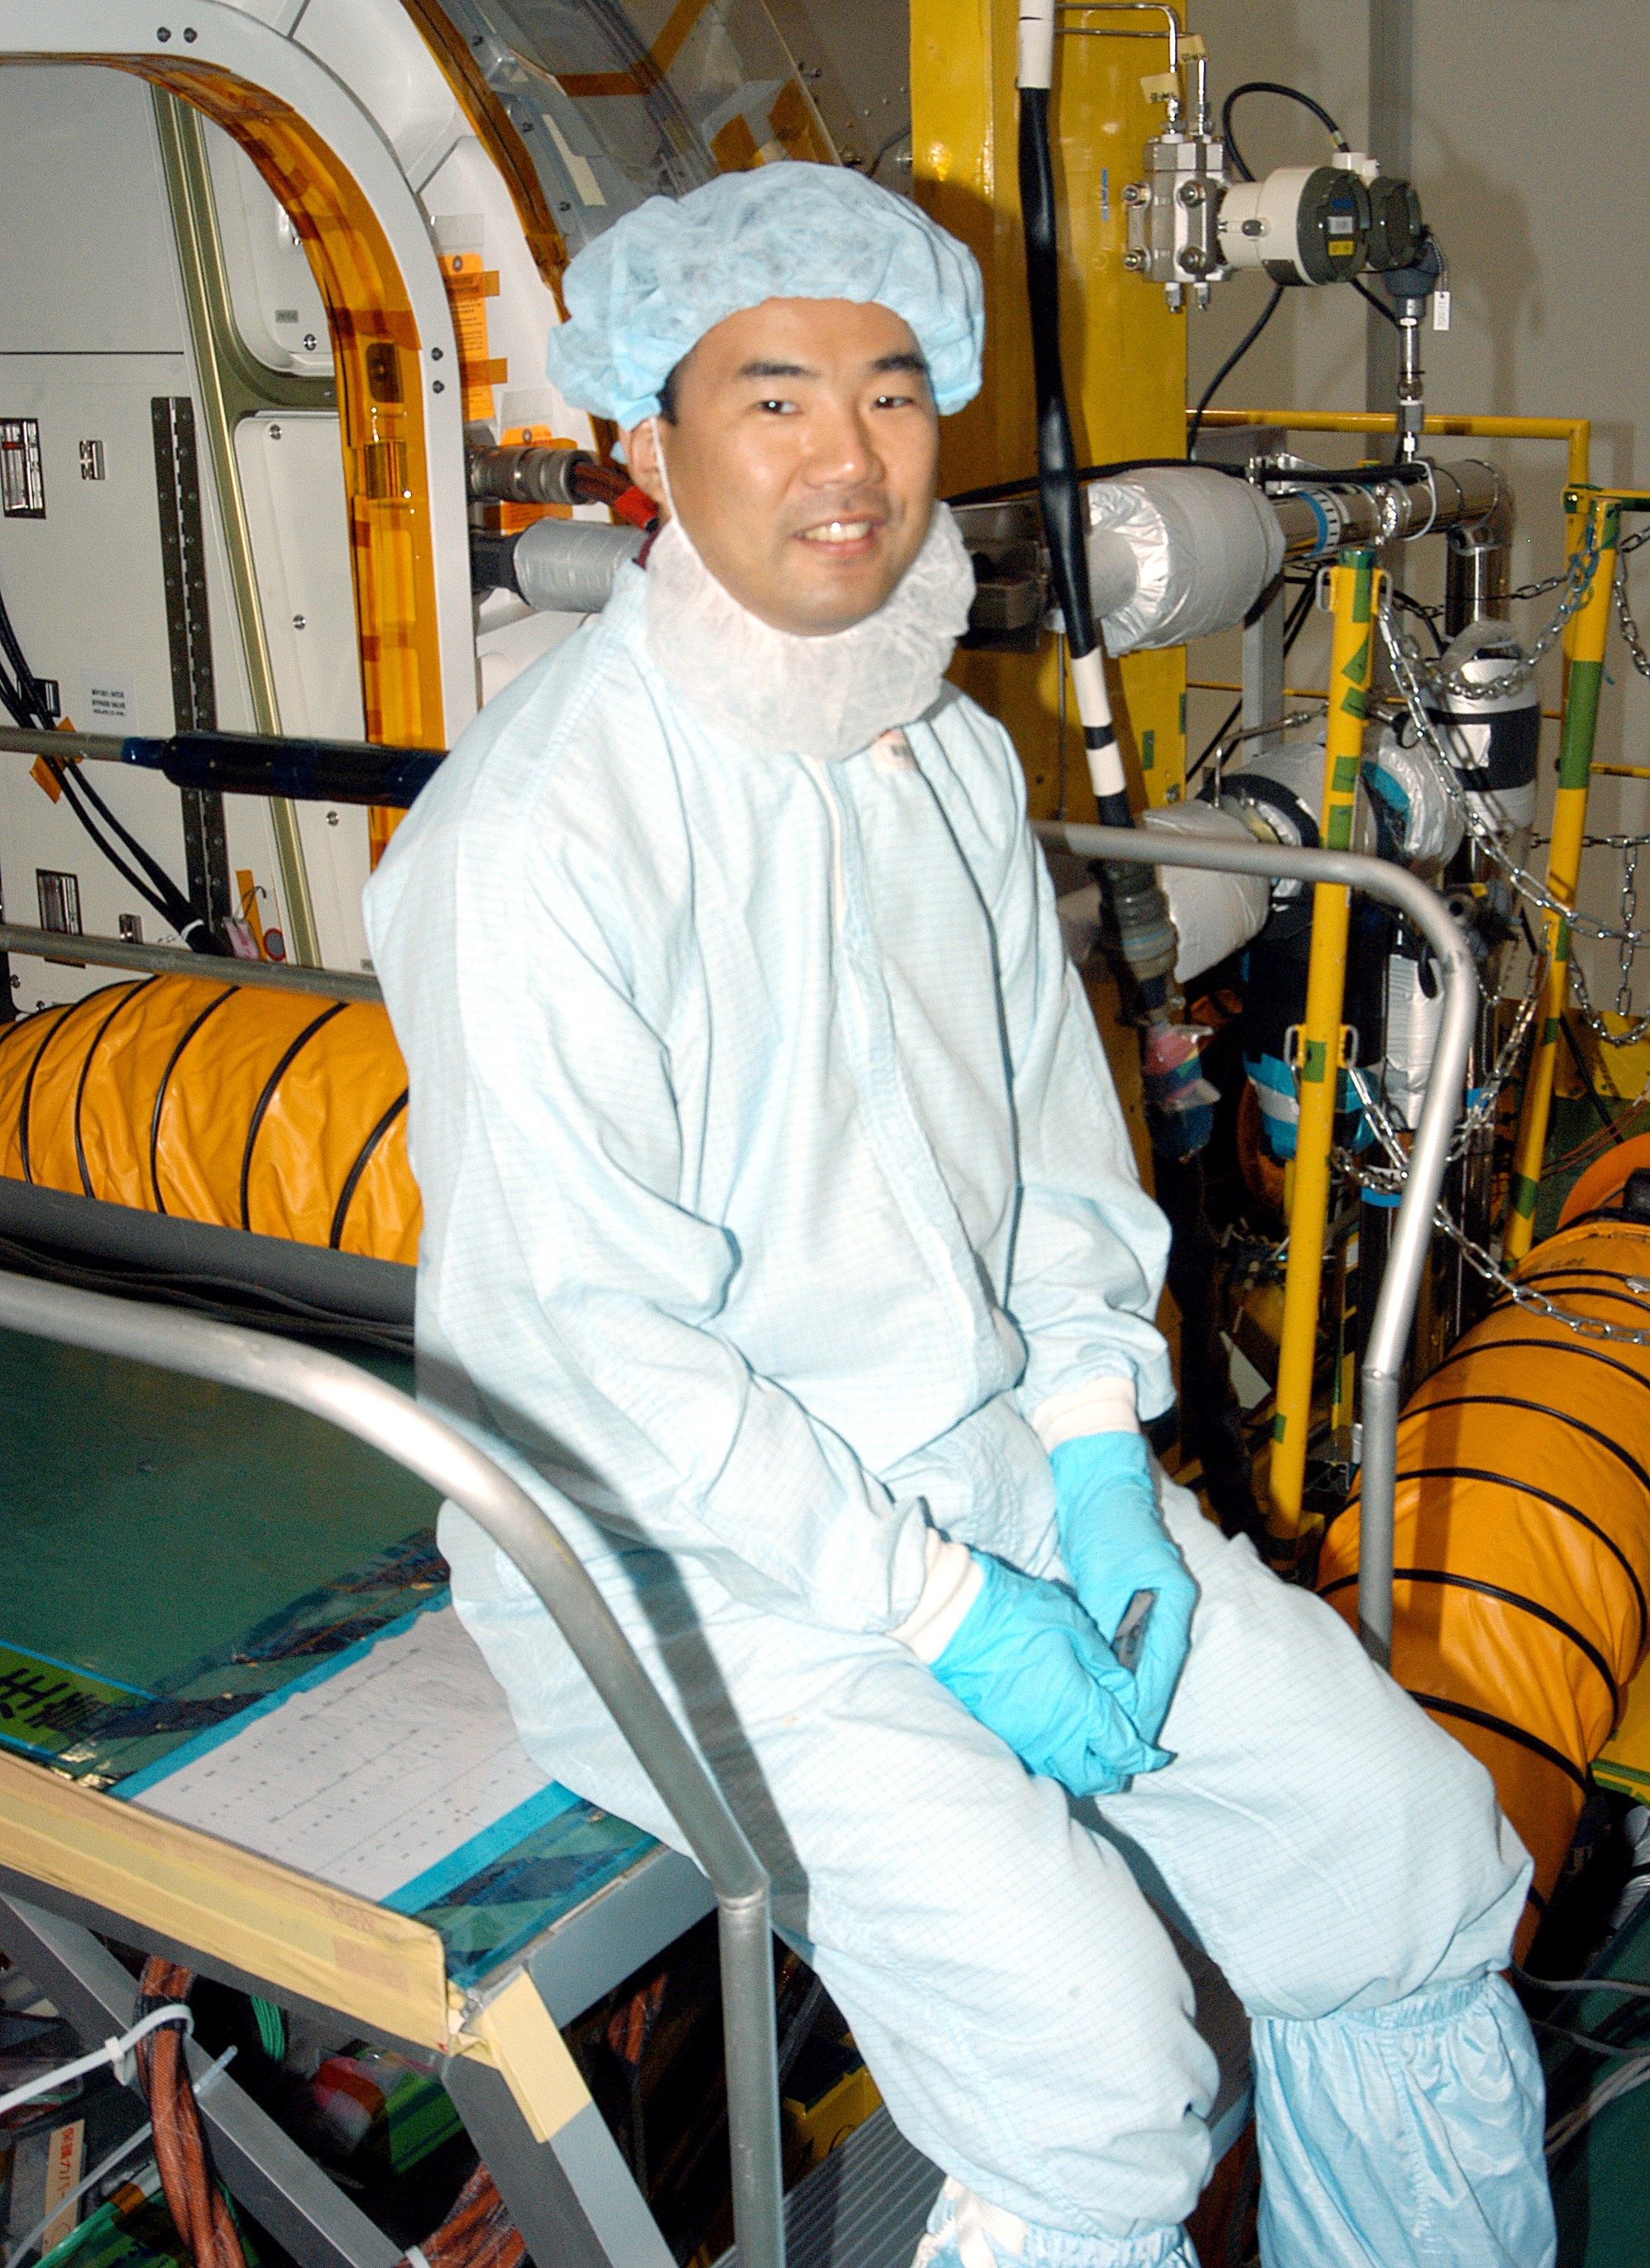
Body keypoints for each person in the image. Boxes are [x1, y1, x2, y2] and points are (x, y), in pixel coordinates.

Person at [365, 163, 1553, 2268]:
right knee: (1097, 2077)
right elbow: (589, 1362)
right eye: (772, 397)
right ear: (645, 436)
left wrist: (1093, 1452)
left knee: (1400, 1854)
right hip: (683, 1567)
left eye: (893, 391)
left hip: (996, 1469)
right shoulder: (536, 840)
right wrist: (940, 1613)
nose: (848, 460)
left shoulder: (938, 757)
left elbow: (1051, 1159)